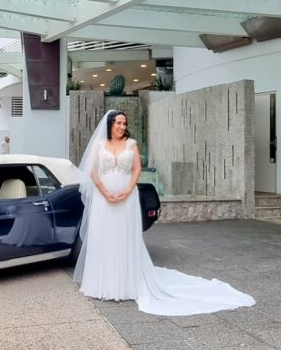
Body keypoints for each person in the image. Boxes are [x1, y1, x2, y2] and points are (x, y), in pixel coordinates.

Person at [73, 111, 255, 316]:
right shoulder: (99, 145)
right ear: (110, 124)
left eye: (125, 123)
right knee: (105, 237)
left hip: (127, 198)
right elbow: (93, 172)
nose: (122, 127)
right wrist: (106, 193)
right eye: (119, 123)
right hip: (103, 199)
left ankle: (126, 283)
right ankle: (103, 283)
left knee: (124, 237)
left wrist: (128, 190)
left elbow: (136, 169)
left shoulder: (131, 144)